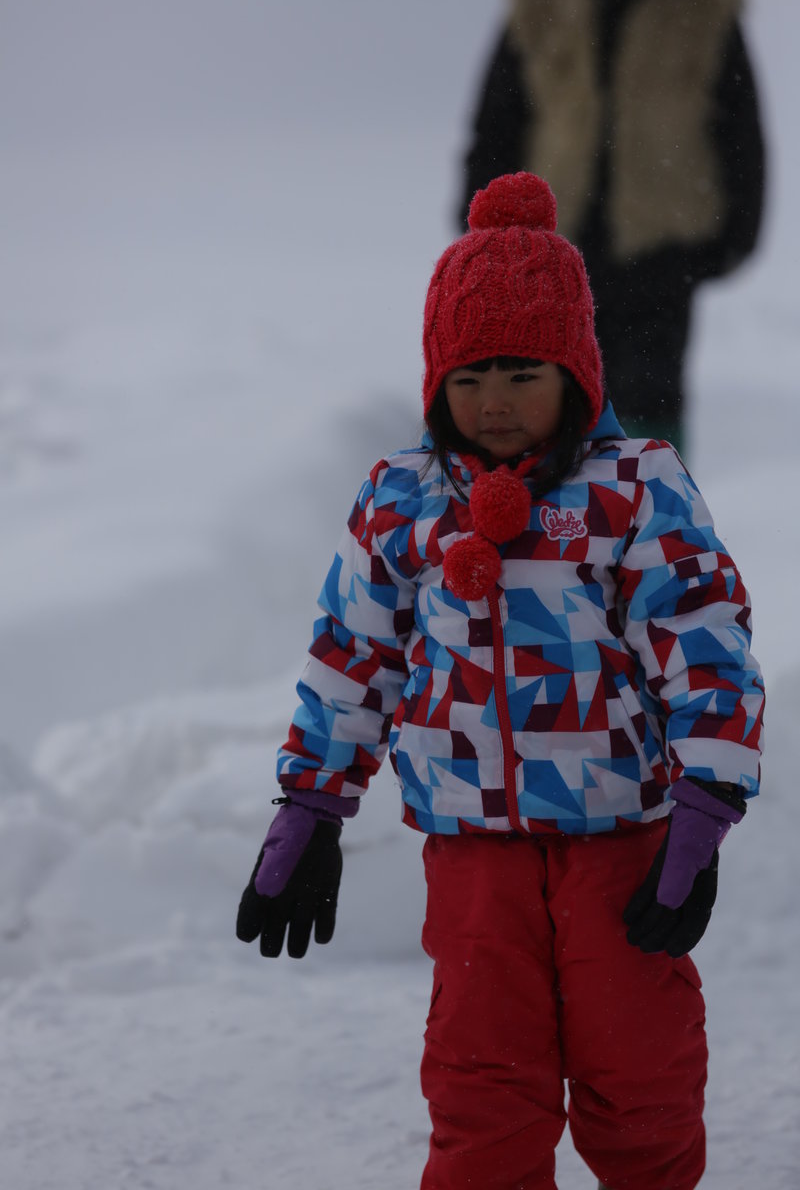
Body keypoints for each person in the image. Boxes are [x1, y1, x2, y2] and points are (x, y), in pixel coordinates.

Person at [236, 172, 765, 1190]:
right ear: (436, 380)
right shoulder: (401, 499)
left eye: (522, 372)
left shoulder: (631, 490)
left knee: (638, 1069)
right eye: (468, 376)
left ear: (575, 372)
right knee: (481, 1076)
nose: (492, 402)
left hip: (621, 841)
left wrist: (705, 797)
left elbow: (703, 639)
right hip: (470, 847)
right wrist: (310, 801)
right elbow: (353, 654)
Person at [457, 0, 766, 456]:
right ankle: (554, 523)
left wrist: (734, 236)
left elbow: (741, 129)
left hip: (663, 251)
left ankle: (658, 519)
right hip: (549, 256)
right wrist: (486, 232)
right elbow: (499, 124)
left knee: (650, 409)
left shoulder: (702, 8)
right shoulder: (540, 7)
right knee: (552, 406)